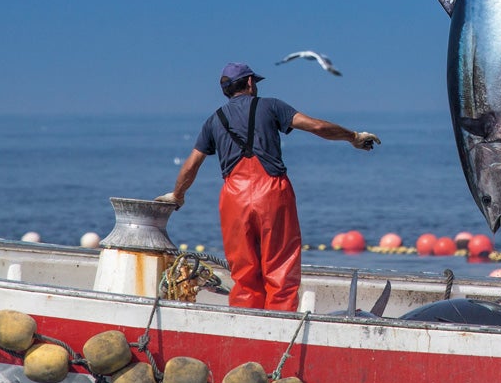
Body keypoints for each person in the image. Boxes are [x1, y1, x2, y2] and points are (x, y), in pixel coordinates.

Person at [156, 62, 380, 311]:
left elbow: (192, 164)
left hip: (234, 198)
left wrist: (177, 195)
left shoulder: (213, 121)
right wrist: (354, 137)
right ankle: (280, 329)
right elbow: (316, 126)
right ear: (250, 83)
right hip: (272, 191)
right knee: (280, 266)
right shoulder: (271, 106)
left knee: (243, 271)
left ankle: (245, 323)